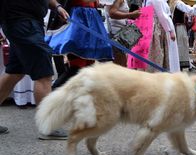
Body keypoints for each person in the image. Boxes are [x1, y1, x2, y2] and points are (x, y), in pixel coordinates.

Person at [0, 0, 69, 138]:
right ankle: (48, 127)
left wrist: (57, 6)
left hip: (26, 22)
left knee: (15, 72)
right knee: (44, 74)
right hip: (21, 22)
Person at [46, 0, 114, 89]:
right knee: (77, 67)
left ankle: (72, 96)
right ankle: (54, 94)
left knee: (89, 66)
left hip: (91, 21)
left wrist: (97, 3)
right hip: (77, 23)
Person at [144, 0, 180, 72]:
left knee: (157, 52)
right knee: (157, 53)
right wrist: (170, 31)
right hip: (156, 28)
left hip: (156, 26)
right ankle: (156, 73)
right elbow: (161, 16)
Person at [103, 0, 141, 67]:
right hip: (116, 35)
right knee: (120, 64)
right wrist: (131, 14)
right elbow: (112, 13)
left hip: (116, 34)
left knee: (119, 62)